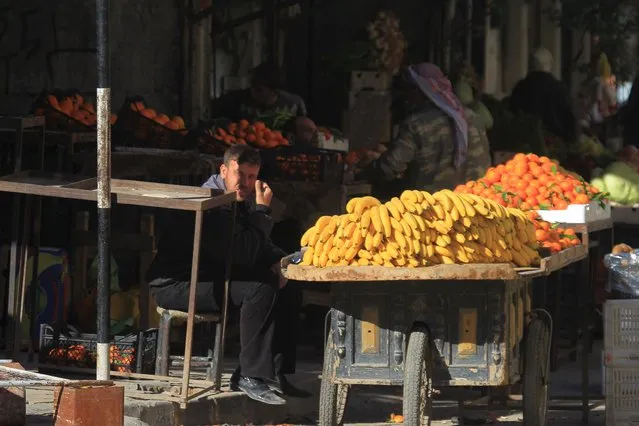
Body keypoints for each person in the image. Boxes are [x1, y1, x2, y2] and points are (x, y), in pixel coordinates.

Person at [146, 145, 305, 405]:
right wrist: (263, 212)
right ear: (223, 170)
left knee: (288, 285)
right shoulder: (212, 203)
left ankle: (277, 373)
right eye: (239, 174)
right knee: (260, 288)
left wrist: (280, 259)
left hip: (210, 277)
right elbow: (243, 254)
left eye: (252, 177)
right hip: (177, 285)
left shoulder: (236, 200)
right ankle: (249, 376)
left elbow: (255, 244)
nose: (245, 182)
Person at [359, 63, 491, 192]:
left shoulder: (416, 124)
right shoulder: (474, 118)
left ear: (419, 91)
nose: (406, 98)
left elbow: (390, 167)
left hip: (432, 206)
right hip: (475, 201)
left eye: (408, 90)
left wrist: (365, 171)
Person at [509, 47, 578, 144]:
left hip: (524, 142)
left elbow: (512, 113)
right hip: (554, 141)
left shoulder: (521, 87)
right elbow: (568, 116)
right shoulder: (557, 87)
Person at [211, 62, 307, 122]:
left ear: (275, 91)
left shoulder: (294, 105)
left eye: (258, 89)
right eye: (252, 85)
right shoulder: (238, 99)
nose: (252, 91)